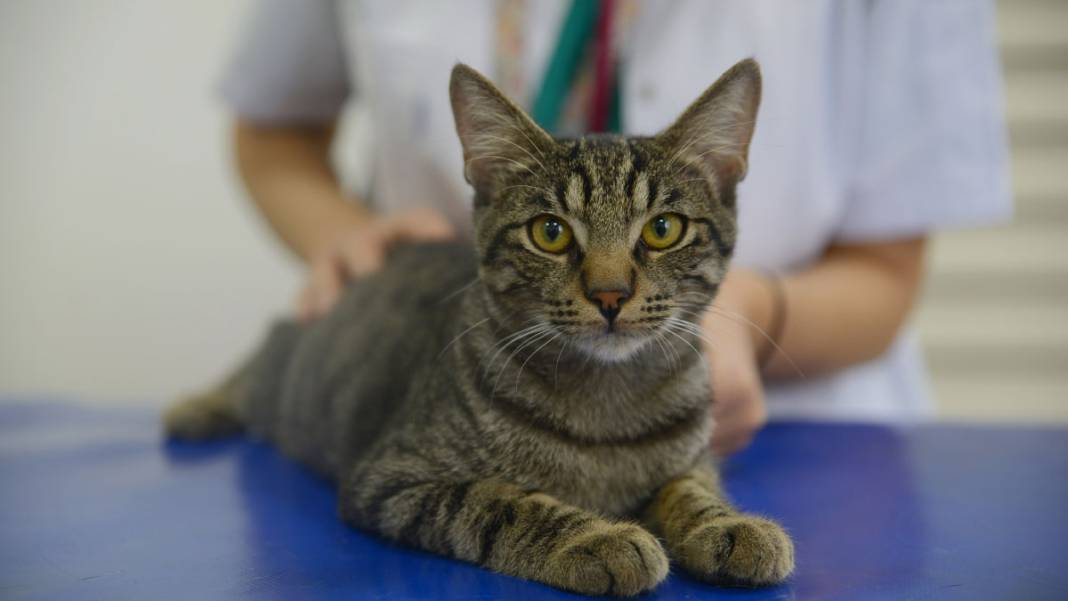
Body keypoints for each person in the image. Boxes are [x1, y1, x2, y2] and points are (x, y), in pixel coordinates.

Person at [220, 0, 1011, 455]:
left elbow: (888, 270)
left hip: (794, 432)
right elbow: (272, 132)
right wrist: (341, 236)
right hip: (468, 389)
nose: (607, 284)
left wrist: (752, 319)